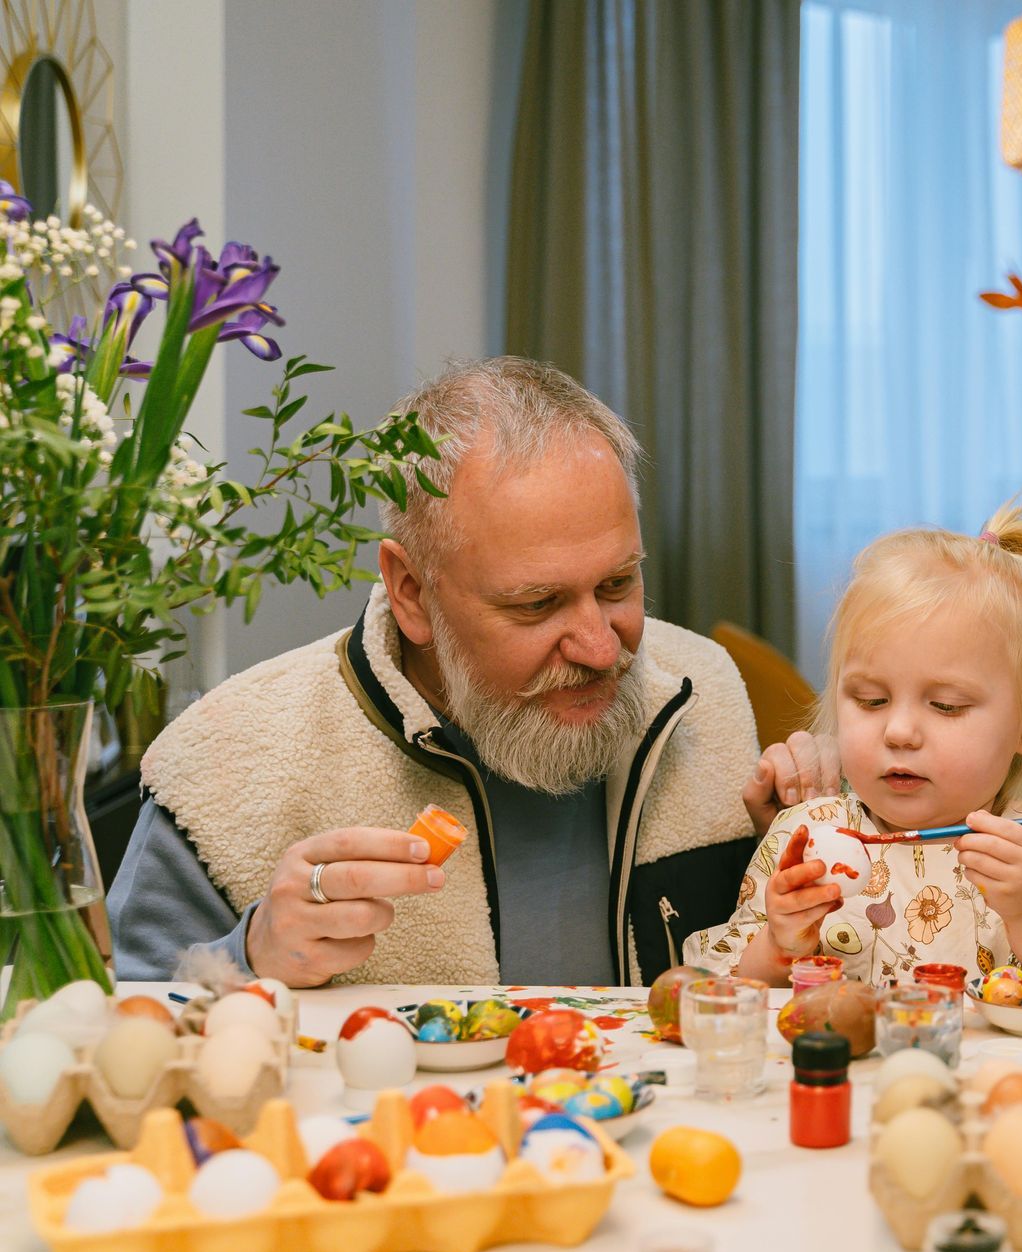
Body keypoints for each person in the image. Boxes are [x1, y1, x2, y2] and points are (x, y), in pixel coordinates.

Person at [107, 357, 835, 988]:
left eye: (617, 585)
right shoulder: (224, 762)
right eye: (537, 603)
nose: (599, 648)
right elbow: (118, 1039)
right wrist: (253, 954)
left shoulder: (703, 688)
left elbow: (782, 986)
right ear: (412, 594)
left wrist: (806, 845)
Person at [689, 504, 1022, 985]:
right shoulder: (803, 837)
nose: (899, 732)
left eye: (946, 706)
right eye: (871, 700)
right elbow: (719, 987)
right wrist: (779, 945)